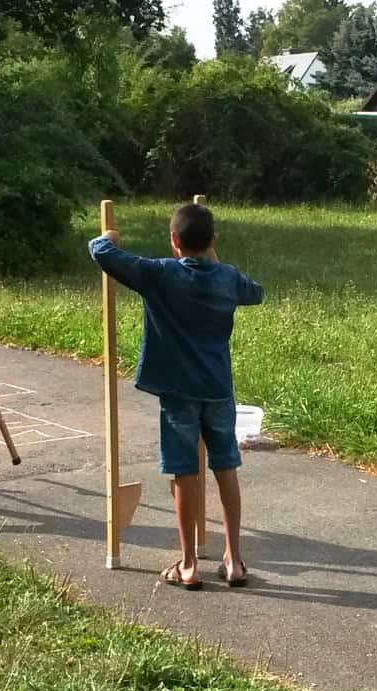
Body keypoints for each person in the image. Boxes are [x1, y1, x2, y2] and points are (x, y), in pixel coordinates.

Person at [88, 203, 263, 589]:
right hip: (218, 390)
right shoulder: (228, 278)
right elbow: (256, 293)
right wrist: (217, 262)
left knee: (185, 471)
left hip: (179, 392)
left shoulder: (161, 274)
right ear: (212, 241)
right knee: (225, 467)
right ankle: (233, 559)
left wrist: (109, 238)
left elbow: (102, 253)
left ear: (174, 241)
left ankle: (188, 564)